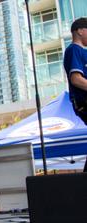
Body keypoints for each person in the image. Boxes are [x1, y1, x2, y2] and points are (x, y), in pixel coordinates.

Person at [63, 17, 87, 172]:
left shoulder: (82, 52)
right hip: (83, 103)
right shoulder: (73, 50)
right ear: (79, 31)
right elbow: (76, 79)